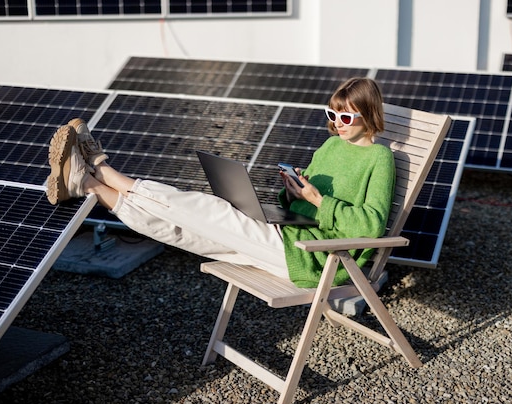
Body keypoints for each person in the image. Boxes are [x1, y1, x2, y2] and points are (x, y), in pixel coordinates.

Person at [46, 77, 395, 288]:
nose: (338, 123)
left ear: (369, 116)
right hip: (289, 233)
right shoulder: (332, 144)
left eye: (346, 116)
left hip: (317, 257)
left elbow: (372, 226)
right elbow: (304, 202)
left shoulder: (379, 158)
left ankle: (104, 170)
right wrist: (291, 193)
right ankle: (88, 185)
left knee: (208, 209)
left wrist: (319, 201)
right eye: (332, 115)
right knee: (186, 231)